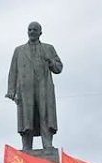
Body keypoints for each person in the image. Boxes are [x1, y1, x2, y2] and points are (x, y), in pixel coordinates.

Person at [6, 21, 63, 150]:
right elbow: (13, 71)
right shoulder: (19, 51)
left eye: (34, 30)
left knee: (45, 116)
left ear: (40, 33)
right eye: (30, 30)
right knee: (27, 118)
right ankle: (26, 146)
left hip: (44, 88)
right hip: (25, 90)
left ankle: (47, 144)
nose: (31, 32)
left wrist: (51, 62)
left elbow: (59, 68)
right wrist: (11, 90)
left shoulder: (48, 48)